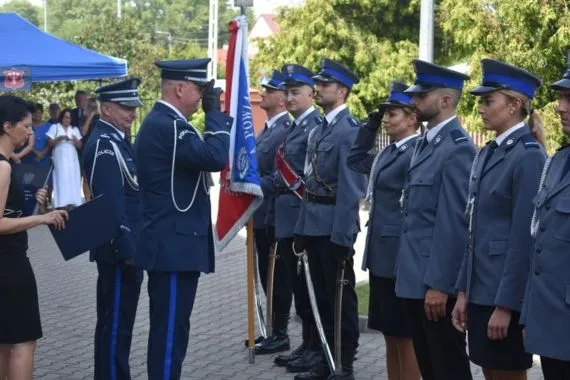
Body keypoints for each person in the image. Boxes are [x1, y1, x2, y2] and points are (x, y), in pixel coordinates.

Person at [134, 58, 231, 379]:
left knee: (173, 332)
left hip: (174, 245)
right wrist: (215, 115)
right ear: (179, 88)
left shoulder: (166, 123)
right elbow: (214, 157)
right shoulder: (168, 125)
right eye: (199, 89)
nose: (203, 96)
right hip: (172, 247)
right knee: (170, 334)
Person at [452, 59, 546, 380]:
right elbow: (474, 230)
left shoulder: (529, 155)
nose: (480, 107)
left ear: (514, 105)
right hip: (480, 292)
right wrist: (463, 291)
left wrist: (506, 306)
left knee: (506, 373)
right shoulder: (490, 152)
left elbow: (524, 239)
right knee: (490, 371)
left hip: (503, 298)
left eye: (488, 100)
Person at [395, 60, 475, 380]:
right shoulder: (427, 143)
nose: (414, 101)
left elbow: (454, 223)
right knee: (429, 367)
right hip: (416, 277)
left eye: (421, 95)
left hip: (434, 284)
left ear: (445, 100)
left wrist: (440, 285)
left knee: (448, 368)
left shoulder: (457, 148)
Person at [293, 58, 366, 380]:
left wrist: (342, 236)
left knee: (340, 298)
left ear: (343, 91)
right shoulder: (321, 128)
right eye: (318, 84)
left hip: (333, 228)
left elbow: (351, 191)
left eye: (325, 85)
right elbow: (309, 184)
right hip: (313, 223)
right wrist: (301, 228)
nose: (319, 89)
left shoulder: (349, 132)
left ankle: (343, 361)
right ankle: (325, 355)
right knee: (320, 297)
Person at [347, 81, 421, 380]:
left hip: (400, 259)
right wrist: (371, 124)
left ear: (412, 118)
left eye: (393, 114)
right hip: (382, 257)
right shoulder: (389, 153)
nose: (388, 119)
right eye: (386, 114)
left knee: (406, 336)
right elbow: (354, 159)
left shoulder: (415, 153)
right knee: (390, 333)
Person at [0, 94, 68, 380]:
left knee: (5, 340)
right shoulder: (3, 166)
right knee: (23, 340)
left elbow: (10, 209)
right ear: (7, 126)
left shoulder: (8, 164)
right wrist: (42, 218)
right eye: (25, 125)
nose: (30, 132)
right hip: (9, 262)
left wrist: (34, 204)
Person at [82, 78, 144, 380]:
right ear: (106, 109)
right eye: (125, 108)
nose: (132, 113)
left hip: (124, 248)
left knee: (117, 325)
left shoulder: (117, 140)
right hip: (119, 251)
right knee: (115, 326)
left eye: (133, 107)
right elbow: (110, 204)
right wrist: (127, 250)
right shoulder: (105, 145)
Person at [521, 51, 570, 380]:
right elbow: (539, 247)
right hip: (552, 323)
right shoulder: (558, 162)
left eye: (569, 99)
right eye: (562, 97)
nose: (560, 107)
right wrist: (529, 314)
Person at [271, 64, 322, 372]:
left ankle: (315, 347)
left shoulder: (313, 125)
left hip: (301, 217)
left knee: (307, 289)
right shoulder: (294, 126)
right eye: (286, 93)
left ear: (310, 94)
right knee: (299, 291)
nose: (288, 98)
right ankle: (307, 345)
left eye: (295, 93)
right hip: (287, 219)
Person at [251, 69, 292, 355]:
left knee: (277, 276)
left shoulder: (285, 130)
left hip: (274, 214)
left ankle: (280, 332)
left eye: (269, 89)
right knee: (266, 275)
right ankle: (272, 330)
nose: (262, 93)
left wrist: (251, 184)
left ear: (281, 99)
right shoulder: (267, 129)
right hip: (260, 213)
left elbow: (280, 175)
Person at [46, 108, 83, 208]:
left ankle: (73, 202)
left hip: (72, 157)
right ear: (62, 117)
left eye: (69, 118)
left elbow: (80, 146)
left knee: (72, 177)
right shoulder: (55, 127)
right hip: (60, 156)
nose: (67, 120)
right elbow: (49, 143)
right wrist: (58, 139)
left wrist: (75, 140)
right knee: (61, 178)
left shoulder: (74, 129)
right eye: (66, 117)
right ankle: (61, 203)